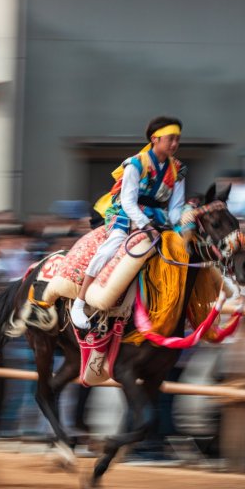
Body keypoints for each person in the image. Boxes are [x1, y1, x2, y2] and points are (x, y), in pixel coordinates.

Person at [70, 116, 186, 329]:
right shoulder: (136, 163)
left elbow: (176, 206)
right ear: (155, 138)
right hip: (128, 213)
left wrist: (176, 223)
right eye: (170, 139)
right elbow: (128, 201)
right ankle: (80, 302)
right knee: (110, 248)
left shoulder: (178, 169)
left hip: (159, 217)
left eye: (177, 139)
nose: (174, 144)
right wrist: (145, 225)